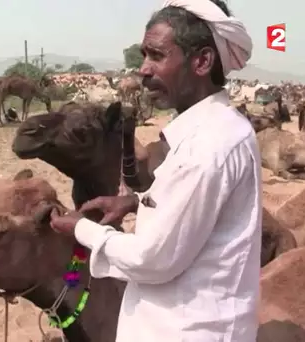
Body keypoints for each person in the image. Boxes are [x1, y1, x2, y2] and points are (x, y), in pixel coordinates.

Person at [49, 0, 260, 341]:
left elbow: (152, 259)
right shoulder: (205, 132)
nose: (143, 69)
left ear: (202, 61)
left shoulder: (207, 146)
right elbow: (189, 202)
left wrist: (81, 229)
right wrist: (136, 201)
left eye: (157, 56)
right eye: (145, 56)